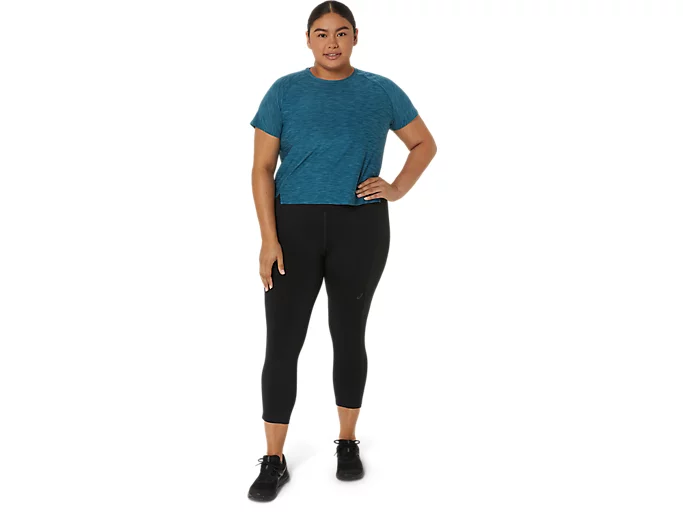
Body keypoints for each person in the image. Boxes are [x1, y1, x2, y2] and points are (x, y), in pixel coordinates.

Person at [247, 1, 437, 502]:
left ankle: (347, 442)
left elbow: (424, 144)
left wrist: (396, 188)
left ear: (355, 37)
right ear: (308, 39)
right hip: (294, 227)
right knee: (282, 341)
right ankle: (273, 458)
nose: (331, 42)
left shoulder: (381, 90)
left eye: (341, 32)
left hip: (361, 226)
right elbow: (261, 168)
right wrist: (269, 238)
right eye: (321, 33)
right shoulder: (284, 91)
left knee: (348, 334)